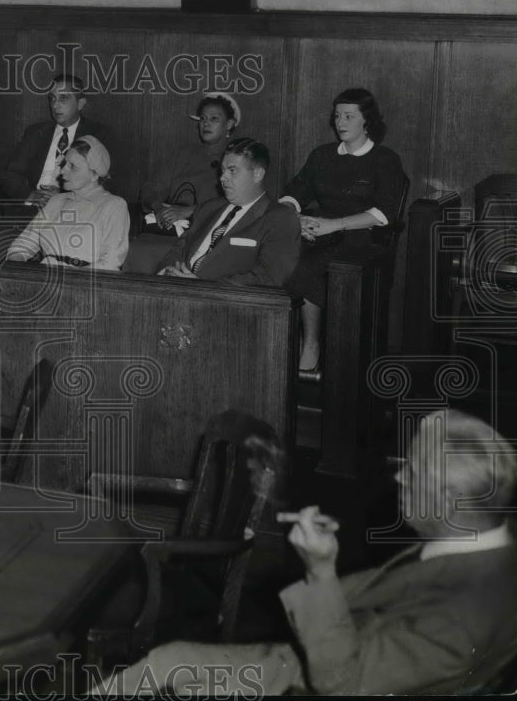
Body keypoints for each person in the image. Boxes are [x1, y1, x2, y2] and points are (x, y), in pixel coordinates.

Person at [95, 409, 517, 696]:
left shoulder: (460, 621)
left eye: (412, 471)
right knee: (168, 662)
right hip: (322, 661)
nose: (399, 476)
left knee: (165, 669)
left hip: (310, 681)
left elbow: (340, 681)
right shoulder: (489, 549)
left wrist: (321, 572)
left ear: (446, 502)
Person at [280, 88, 408, 371]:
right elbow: (293, 194)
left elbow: (384, 213)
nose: (341, 123)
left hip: (362, 237)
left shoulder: (385, 159)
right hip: (318, 229)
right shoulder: (322, 155)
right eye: (338, 116)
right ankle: (279, 339)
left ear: (367, 121)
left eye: (350, 116)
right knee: (278, 255)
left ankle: (310, 342)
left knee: (307, 265)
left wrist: (334, 225)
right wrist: (296, 220)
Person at [155, 138, 300, 286]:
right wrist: (167, 271)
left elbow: (269, 277)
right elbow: (178, 250)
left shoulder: (280, 218)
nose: (222, 178)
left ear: (258, 174)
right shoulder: (209, 208)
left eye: (232, 170)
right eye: (223, 171)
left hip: (227, 304)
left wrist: (203, 287)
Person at [7, 135, 129, 271]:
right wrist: (16, 266)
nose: (62, 170)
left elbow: (110, 262)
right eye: (65, 164)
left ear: (95, 174)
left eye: (73, 167)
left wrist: (70, 284)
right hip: (46, 280)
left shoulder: (114, 205)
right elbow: (23, 244)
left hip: (86, 284)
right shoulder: (56, 201)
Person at [0, 74, 116, 206]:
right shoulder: (35, 133)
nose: (55, 105)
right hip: (33, 208)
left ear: (80, 104)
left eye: (63, 98)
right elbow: (10, 176)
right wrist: (30, 195)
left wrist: (63, 195)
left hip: (75, 208)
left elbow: (105, 183)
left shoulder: (99, 135)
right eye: (52, 98)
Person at [139, 92, 237, 231]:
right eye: (202, 118)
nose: (206, 123)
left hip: (211, 230)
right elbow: (151, 188)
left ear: (229, 124)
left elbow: (238, 201)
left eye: (214, 119)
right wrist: (158, 208)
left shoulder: (237, 157)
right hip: (170, 228)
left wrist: (189, 211)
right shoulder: (182, 154)